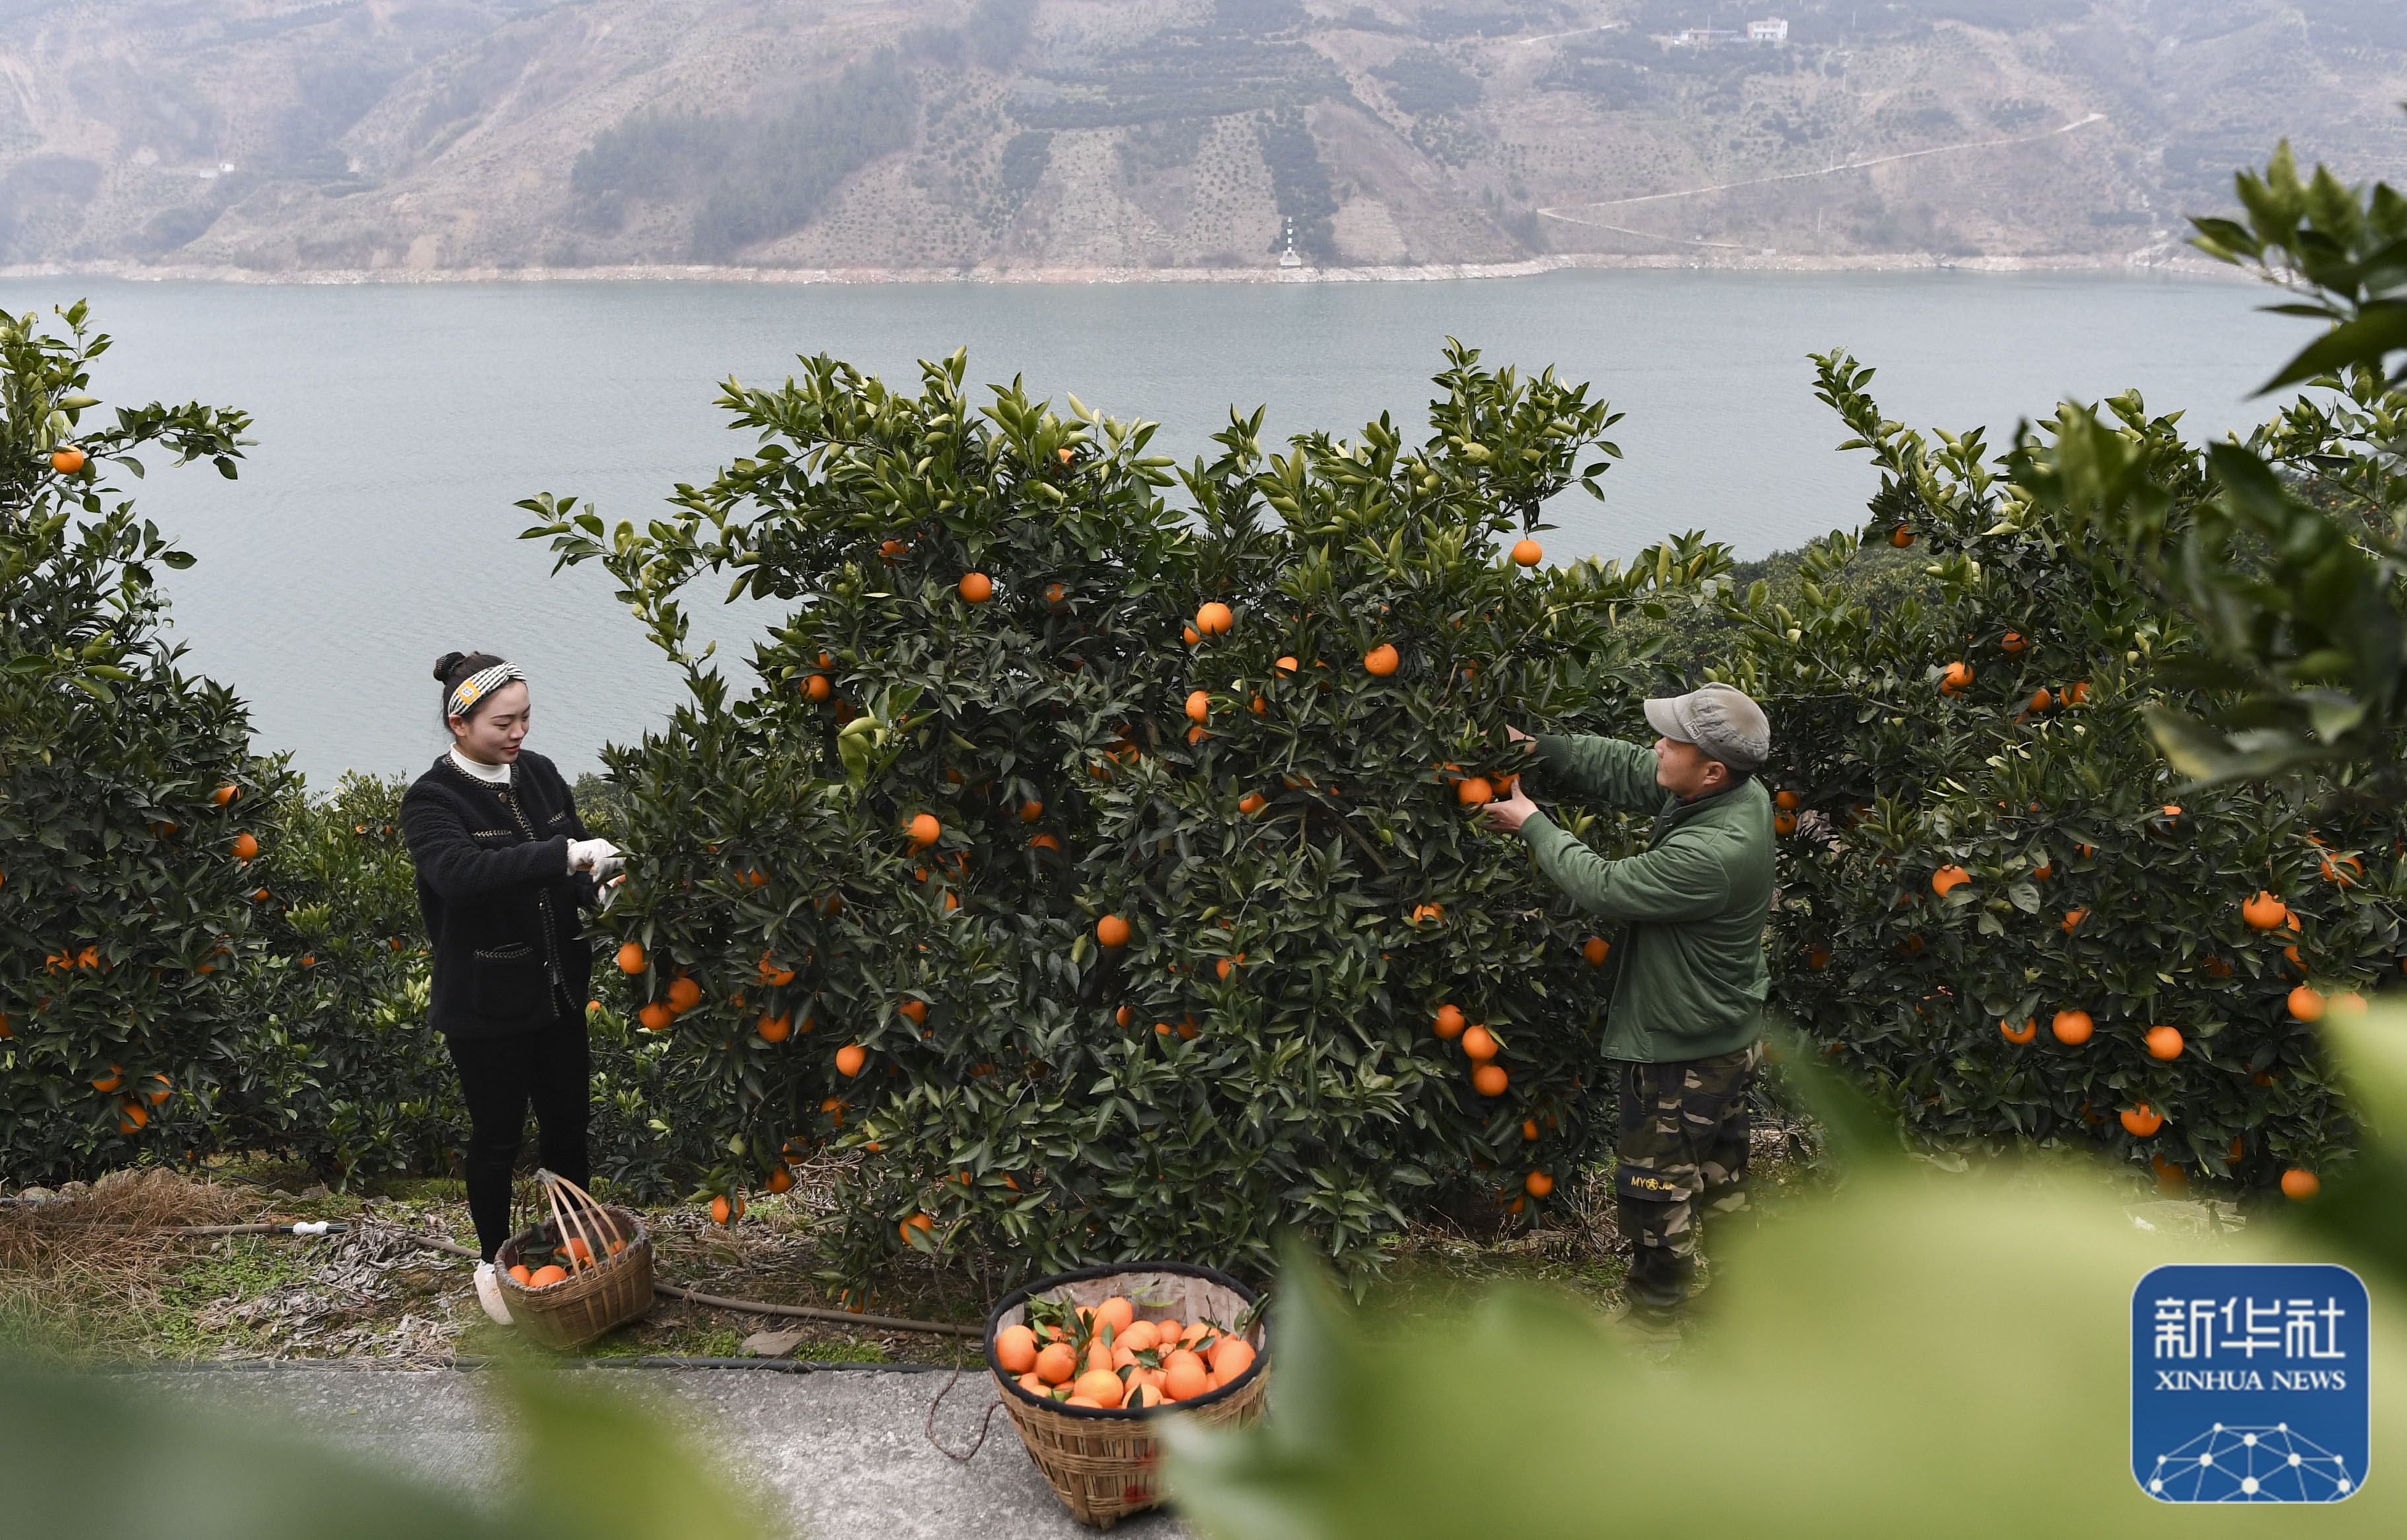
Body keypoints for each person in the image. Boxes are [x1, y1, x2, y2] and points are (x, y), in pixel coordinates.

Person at [1482, 682, 1774, 1333]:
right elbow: (1625, 765)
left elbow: (1606, 887)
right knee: (1723, 1176)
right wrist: (1538, 749)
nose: (1657, 747)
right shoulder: (1731, 790)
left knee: (1654, 1189)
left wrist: (1532, 823)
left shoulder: (1714, 852)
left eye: (1672, 741)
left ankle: (1653, 1321)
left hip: (1681, 1046)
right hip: (1724, 1031)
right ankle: (1741, 1303)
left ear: (1711, 768)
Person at [400, 651, 621, 1325]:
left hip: (559, 993)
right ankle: (490, 1260)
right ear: (459, 723)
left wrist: (603, 888)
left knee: (568, 1127)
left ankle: (570, 1245)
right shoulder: (433, 800)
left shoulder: (542, 776)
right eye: (503, 723)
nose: (518, 732)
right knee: (497, 1139)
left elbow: (575, 871)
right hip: (485, 1001)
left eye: (525, 717)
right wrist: (564, 854)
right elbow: (460, 874)